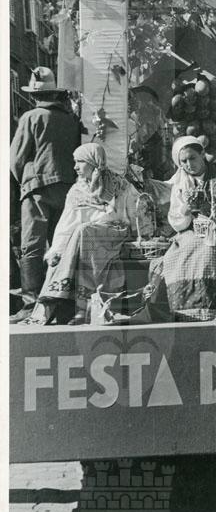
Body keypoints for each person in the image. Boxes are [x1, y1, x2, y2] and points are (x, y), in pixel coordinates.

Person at [143, 136, 216, 321]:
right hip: (192, 231)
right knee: (181, 254)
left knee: (211, 249)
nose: (189, 164)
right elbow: (176, 220)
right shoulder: (181, 185)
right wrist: (186, 210)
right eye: (183, 161)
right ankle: (189, 309)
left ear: (202, 154)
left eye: (192, 158)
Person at [31, 143, 136, 325]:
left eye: (80, 162)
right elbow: (66, 225)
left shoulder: (120, 184)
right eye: (75, 162)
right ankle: (62, 301)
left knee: (84, 231)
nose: (75, 167)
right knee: (81, 235)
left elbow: (134, 213)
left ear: (93, 162)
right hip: (86, 237)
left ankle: (84, 308)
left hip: (115, 232)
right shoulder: (76, 191)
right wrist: (56, 250)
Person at [10, 67, 81, 322]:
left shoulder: (30, 117)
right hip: (67, 188)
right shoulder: (72, 120)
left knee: (32, 246)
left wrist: (25, 181)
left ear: (34, 95)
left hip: (37, 189)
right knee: (61, 245)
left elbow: (16, 159)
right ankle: (60, 305)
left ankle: (31, 305)